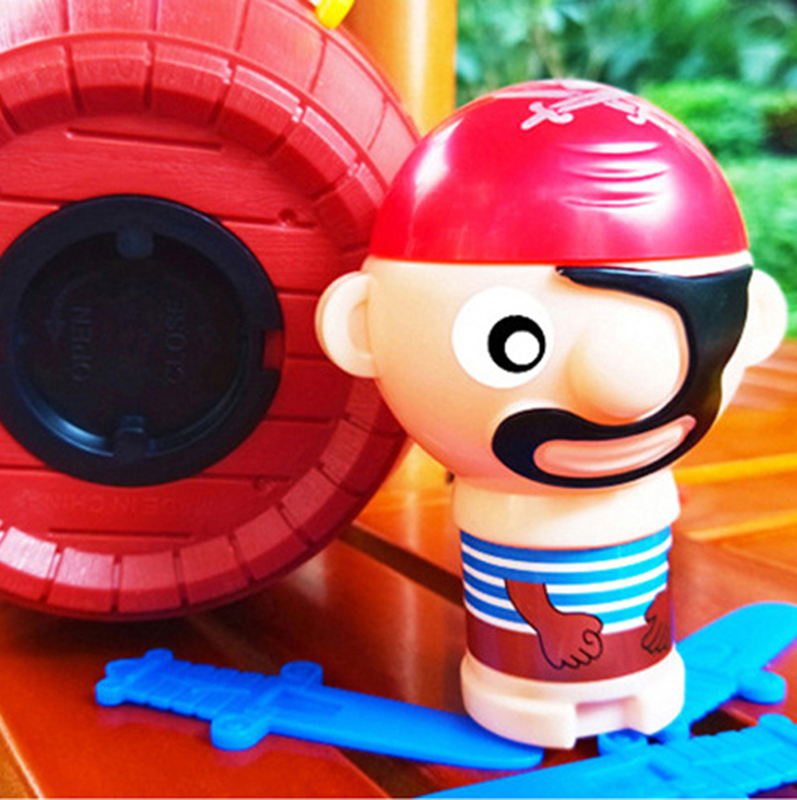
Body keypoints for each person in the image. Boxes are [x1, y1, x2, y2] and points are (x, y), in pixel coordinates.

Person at [315, 80, 787, 748]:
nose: (622, 394)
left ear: (753, 319)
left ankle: (634, 674)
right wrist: (547, 624)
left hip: (649, 669)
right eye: (512, 342)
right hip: (512, 683)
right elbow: (523, 587)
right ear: (367, 328)